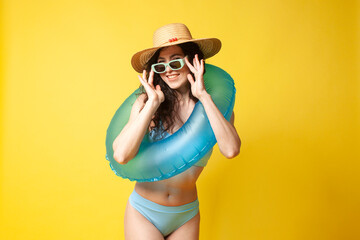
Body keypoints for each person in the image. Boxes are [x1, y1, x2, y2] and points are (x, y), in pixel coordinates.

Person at [112, 23, 241, 240]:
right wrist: (152, 103)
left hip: (186, 213)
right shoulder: (146, 104)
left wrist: (203, 96)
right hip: (144, 211)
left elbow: (231, 150)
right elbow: (121, 155)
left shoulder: (214, 107)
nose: (169, 70)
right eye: (161, 65)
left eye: (175, 60)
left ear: (193, 61)